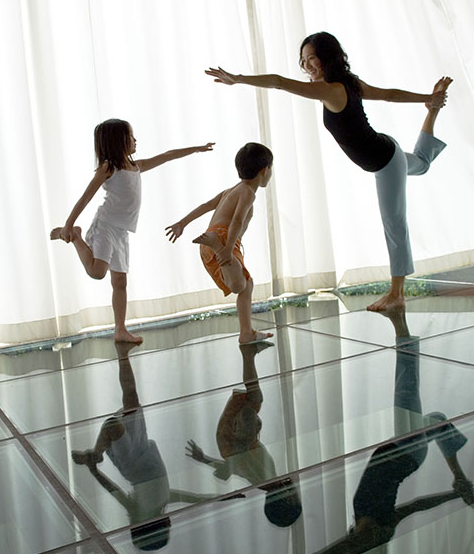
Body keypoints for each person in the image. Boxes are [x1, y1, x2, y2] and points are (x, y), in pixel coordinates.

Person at [206, 32, 452, 311]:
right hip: (385, 154)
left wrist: (238, 78)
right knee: (421, 164)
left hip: (384, 160)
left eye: (312, 58)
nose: (307, 65)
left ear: (327, 57)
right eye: (303, 60)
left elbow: (279, 82)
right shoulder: (348, 84)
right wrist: (430, 100)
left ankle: (397, 294)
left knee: (394, 223)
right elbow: (389, 95)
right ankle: (432, 113)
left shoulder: (332, 89)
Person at [250, 308, 474, 554]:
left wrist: (455, 494)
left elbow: (418, 505)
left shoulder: (379, 530)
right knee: (407, 384)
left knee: (434, 419)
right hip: (405, 449)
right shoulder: (366, 535)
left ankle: (458, 473)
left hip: (407, 454)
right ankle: (398, 317)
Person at [51, 118, 214, 343]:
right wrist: (69, 225)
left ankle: (120, 329)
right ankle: (77, 237)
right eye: (131, 136)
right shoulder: (108, 168)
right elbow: (86, 196)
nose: (136, 140)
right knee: (97, 272)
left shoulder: (137, 166)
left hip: (122, 232)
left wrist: (196, 149)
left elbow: (167, 156)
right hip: (106, 226)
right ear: (118, 141)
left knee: (120, 283)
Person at [71, 341, 225, 551]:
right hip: (141, 447)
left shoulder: (142, 508)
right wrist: (221, 498)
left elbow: (114, 491)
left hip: (132, 462)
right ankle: (122, 353)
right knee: (131, 398)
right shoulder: (162, 501)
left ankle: (96, 454)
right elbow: (194, 498)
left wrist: (94, 471)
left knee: (113, 423)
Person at [166, 142, 274, 344]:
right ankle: (246, 331)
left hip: (208, 241)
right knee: (239, 285)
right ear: (264, 170)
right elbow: (237, 220)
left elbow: (207, 205)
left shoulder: (232, 190)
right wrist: (225, 248)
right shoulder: (248, 193)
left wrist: (182, 223)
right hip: (224, 240)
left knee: (246, 285)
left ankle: (246, 332)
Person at [186, 342, 302, 527]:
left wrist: (205, 459)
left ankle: (248, 353)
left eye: (295, 496)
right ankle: (249, 355)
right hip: (238, 440)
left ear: (287, 499)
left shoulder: (265, 480)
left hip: (235, 440)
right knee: (254, 399)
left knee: (253, 401)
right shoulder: (265, 481)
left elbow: (233, 466)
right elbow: (236, 469)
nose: (296, 490)